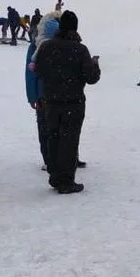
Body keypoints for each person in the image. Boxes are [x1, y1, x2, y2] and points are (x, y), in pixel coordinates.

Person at [34, 11, 100, 193]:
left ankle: (55, 176)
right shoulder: (80, 49)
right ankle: (66, 181)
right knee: (69, 141)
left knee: (53, 138)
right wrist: (94, 65)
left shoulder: (47, 46)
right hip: (73, 102)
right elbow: (91, 77)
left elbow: (38, 69)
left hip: (51, 101)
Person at [27, 19, 61, 170]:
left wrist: (32, 96)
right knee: (57, 128)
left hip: (43, 95)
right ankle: (56, 159)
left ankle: (49, 159)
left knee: (45, 128)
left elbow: (30, 75)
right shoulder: (55, 46)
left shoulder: (37, 46)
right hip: (55, 95)